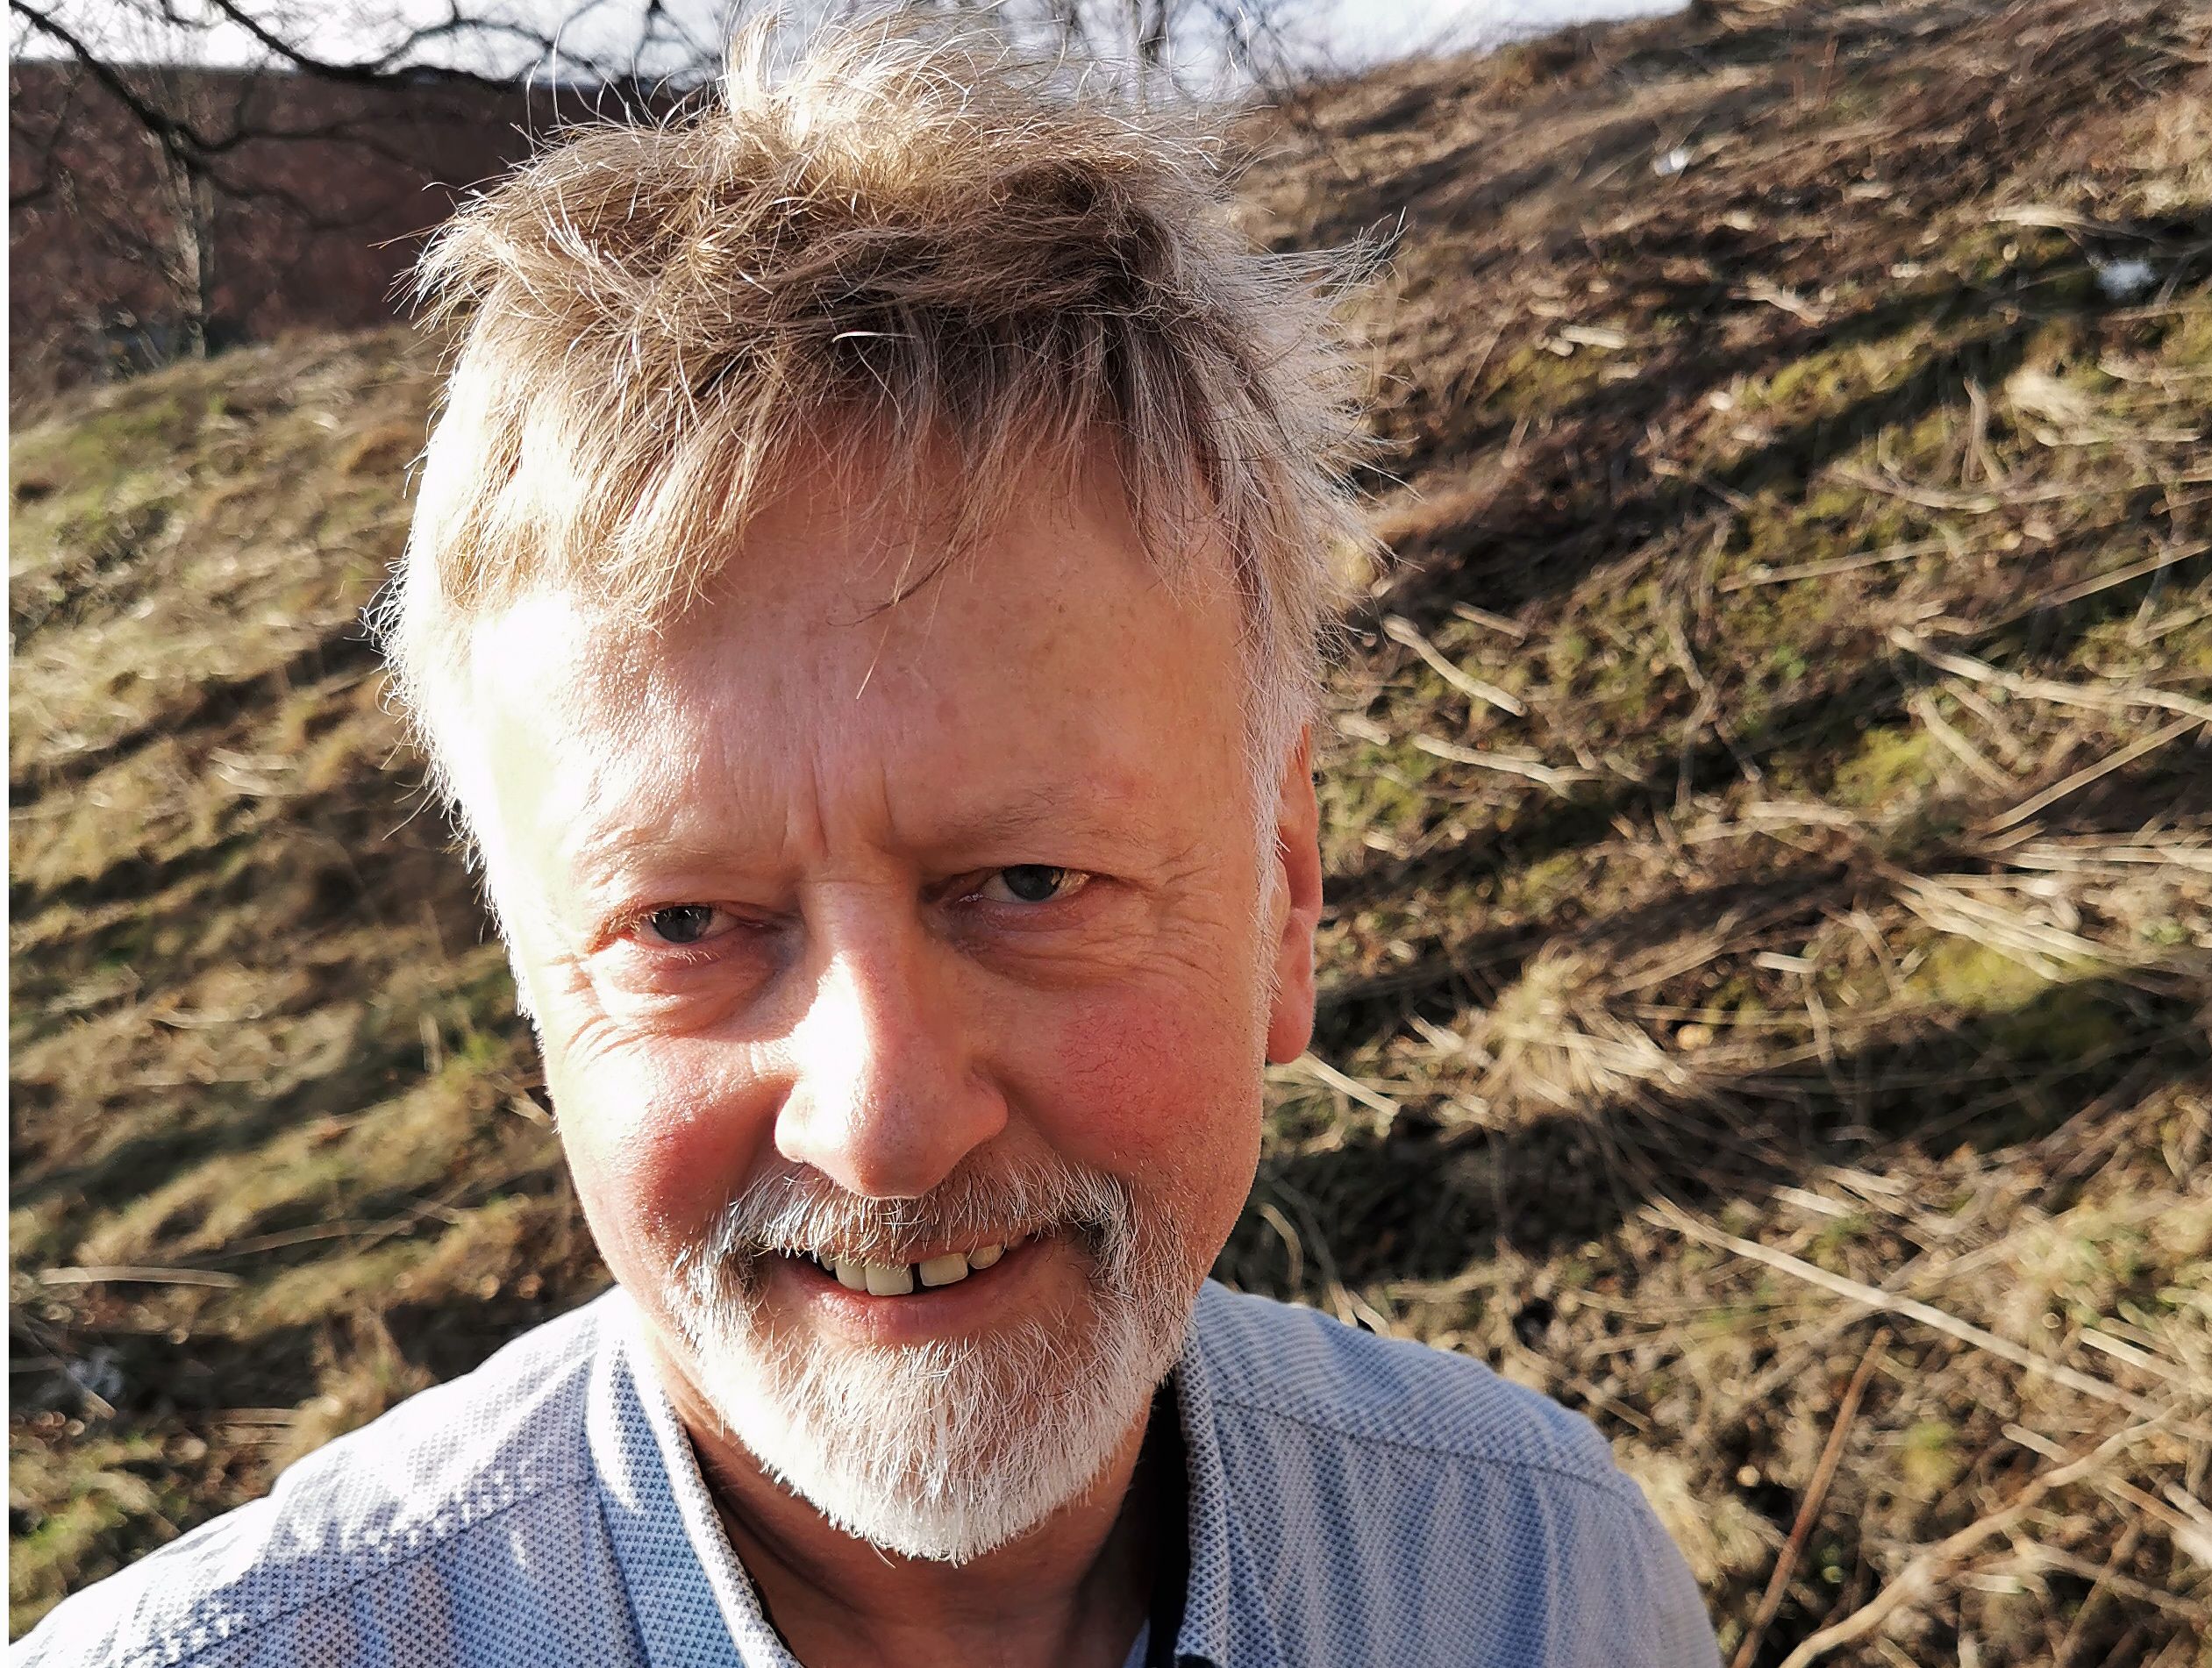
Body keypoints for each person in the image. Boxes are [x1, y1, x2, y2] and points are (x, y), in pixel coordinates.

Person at [24, 21, 1719, 1668]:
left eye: (1031, 883)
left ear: (1283, 898)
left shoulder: (1541, 1581)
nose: (883, 1124)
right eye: (683, 923)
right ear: (531, 980)